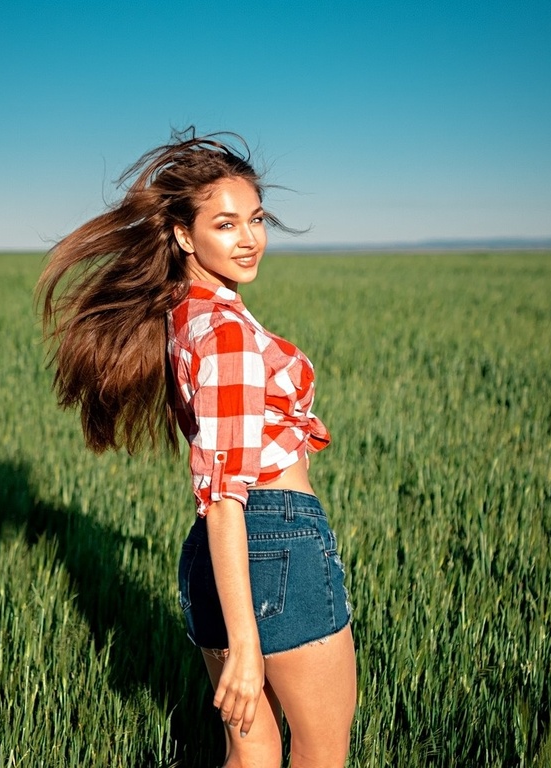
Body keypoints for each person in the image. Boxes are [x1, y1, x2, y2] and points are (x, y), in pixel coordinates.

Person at [37, 129, 356, 767]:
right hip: (276, 541)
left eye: (257, 219)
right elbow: (225, 495)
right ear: (185, 235)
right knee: (322, 755)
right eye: (226, 223)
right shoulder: (228, 332)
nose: (250, 238)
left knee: (253, 751)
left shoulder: (185, 314)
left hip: (220, 558)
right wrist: (245, 641)